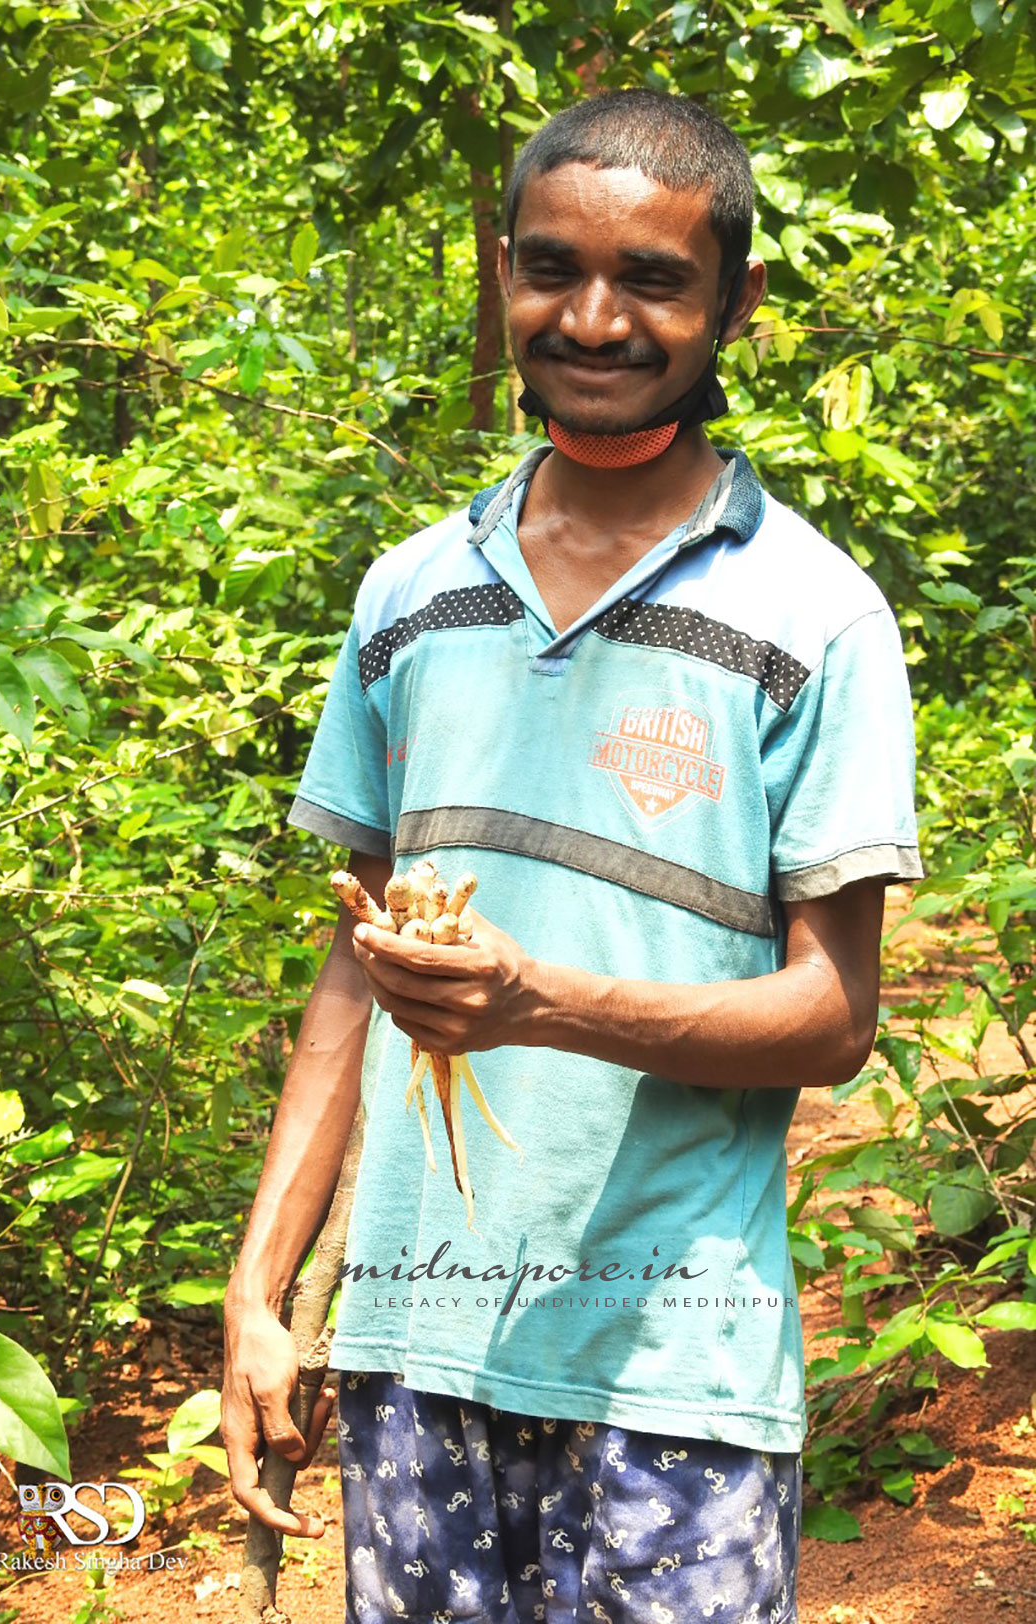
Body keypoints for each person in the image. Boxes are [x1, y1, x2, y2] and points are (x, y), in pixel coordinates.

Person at [223, 89, 922, 1623]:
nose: (594, 319)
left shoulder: (816, 618)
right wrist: (261, 1295)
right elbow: (354, 954)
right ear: (501, 271)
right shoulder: (409, 594)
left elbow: (835, 1018)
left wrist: (540, 1000)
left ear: (735, 297)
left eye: (654, 280)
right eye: (552, 269)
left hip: (675, 1367)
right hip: (412, 1346)